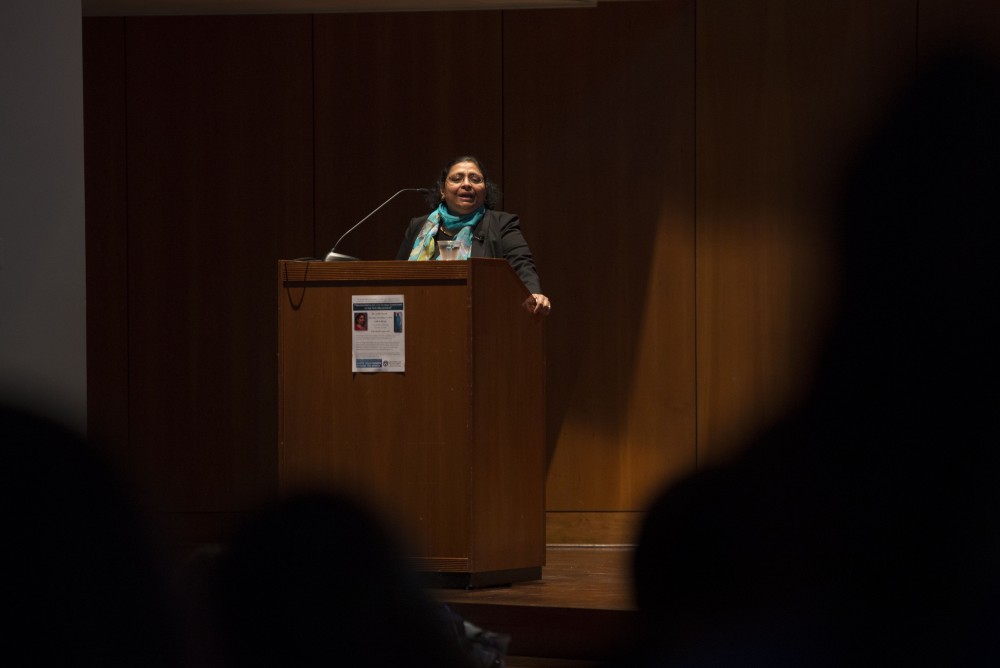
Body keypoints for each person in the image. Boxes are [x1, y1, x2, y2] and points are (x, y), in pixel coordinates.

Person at [396, 156, 552, 316]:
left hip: (481, 316)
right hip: (422, 316)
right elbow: (397, 274)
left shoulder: (501, 224)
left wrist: (533, 293)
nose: (466, 184)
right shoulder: (419, 226)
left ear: (485, 191)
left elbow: (521, 263)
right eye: (457, 179)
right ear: (442, 190)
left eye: (475, 179)